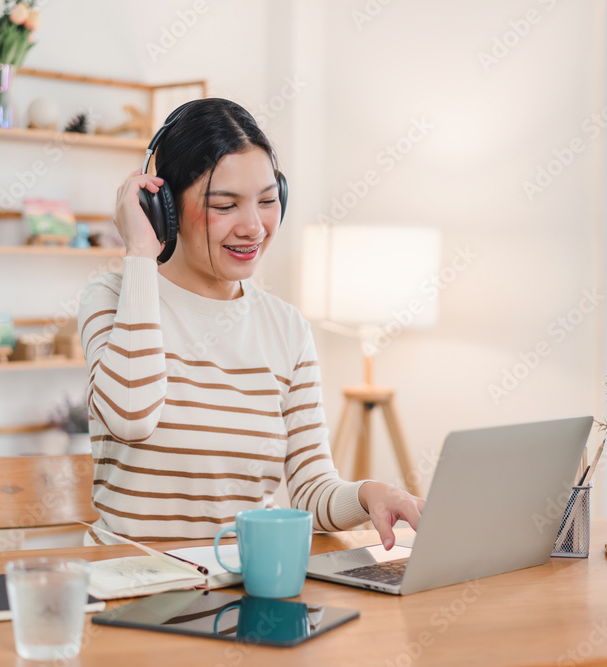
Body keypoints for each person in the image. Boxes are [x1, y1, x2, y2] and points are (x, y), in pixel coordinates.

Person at [79, 98, 423, 549]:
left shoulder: (287, 328)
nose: (254, 227)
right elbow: (130, 416)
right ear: (163, 206)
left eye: (266, 201)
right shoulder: (112, 297)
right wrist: (141, 251)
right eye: (225, 206)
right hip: (128, 586)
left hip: (238, 588)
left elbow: (311, 491)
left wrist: (368, 494)